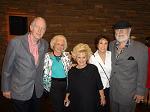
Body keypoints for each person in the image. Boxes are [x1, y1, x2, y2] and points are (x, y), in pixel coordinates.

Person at [1, 17, 48, 112]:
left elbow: (44, 62)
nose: (39, 30)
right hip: (20, 90)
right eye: (37, 27)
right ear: (31, 27)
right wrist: (5, 88)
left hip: (37, 90)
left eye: (43, 28)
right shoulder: (16, 42)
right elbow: (7, 68)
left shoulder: (45, 44)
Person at [109, 21, 148, 112]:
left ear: (129, 30)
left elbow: (143, 72)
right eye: (117, 30)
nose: (120, 33)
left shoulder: (141, 48)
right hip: (113, 90)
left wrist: (140, 92)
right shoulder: (111, 45)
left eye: (123, 30)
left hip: (128, 93)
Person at [64, 43, 106, 112]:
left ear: (87, 57)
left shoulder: (93, 68)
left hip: (91, 100)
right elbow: (70, 87)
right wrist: (66, 97)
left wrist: (102, 97)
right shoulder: (71, 71)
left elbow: (99, 84)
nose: (81, 60)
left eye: (84, 57)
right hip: (76, 100)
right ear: (75, 57)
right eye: (79, 57)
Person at [43, 35, 71, 112]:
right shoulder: (47, 57)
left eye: (62, 45)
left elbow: (72, 65)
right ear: (53, 44)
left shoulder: (67, 56)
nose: (60, 47)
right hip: (54, 84)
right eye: (58, 44)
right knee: (57, 106)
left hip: (66, 83)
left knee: (66, 105)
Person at [89, 35, 111, 112]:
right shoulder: (92, 57)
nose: (103, 46)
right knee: (99, 108)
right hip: (97, 88)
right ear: (97, 45)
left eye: (106, 43)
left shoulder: (111, 55)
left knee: (108, 108)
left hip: (110, 87)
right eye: (101, 43)